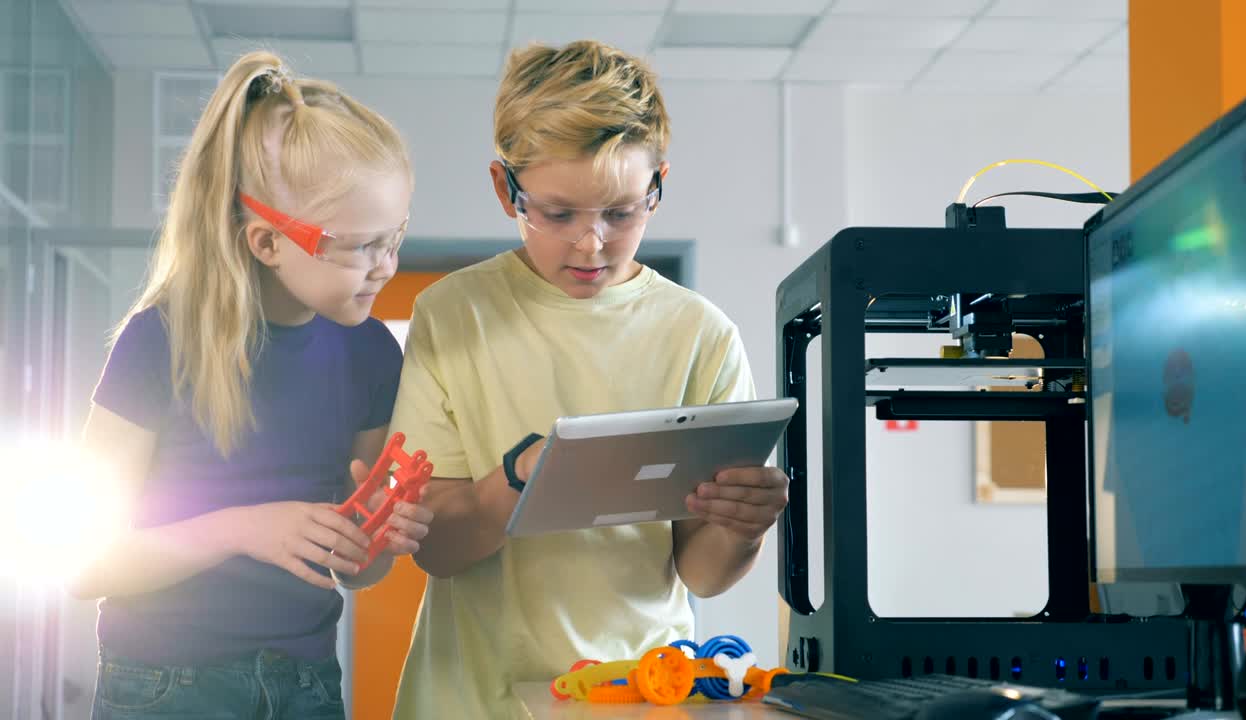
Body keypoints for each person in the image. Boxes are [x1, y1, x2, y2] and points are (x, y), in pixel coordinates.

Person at [385, 40, 790, 717]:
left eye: (620, 212)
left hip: (642, 695)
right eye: (558, 212)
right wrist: (518, 479)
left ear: (658, 185)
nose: (590, 243)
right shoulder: (454, 315)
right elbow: (440, 552)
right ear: (503, 188)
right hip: (470, 697)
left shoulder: (701, 334)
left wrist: (743, 528)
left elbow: (702, 572)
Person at [73, 51, 431, 719]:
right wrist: (241, 529)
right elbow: (85, 565)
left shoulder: (373, 353)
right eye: (359, 246)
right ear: (267, 243)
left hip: (307, 684)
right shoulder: (158, 341)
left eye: (395, 238)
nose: (386, 267)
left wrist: (375, 540)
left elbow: (356, 573)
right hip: (163, 686)